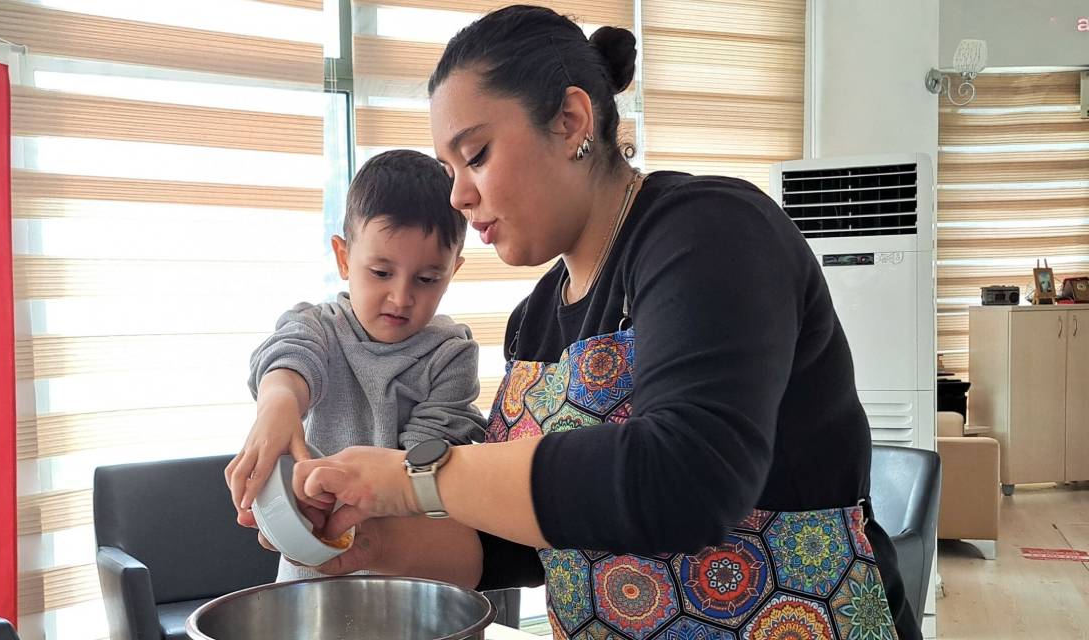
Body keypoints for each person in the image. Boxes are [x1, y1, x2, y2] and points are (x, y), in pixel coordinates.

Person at [277, 5, 922, 639]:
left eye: (475, 155)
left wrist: (410, 478)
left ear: (570, 120)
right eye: (449, 170)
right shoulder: (535, 319)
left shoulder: (709, 232)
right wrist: (364, 540)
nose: (457, 196)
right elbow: (520, 547)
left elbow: (686, 480)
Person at [225, 149, 486, 582]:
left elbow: (423, 471)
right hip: (313, 574)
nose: (401, 298)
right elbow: (290, 355)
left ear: (453, 270)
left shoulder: (450, 354)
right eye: (381, 272)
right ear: (344, 258)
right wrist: (278, 402)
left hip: (407, 570)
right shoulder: (319, 327)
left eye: (427, 279)